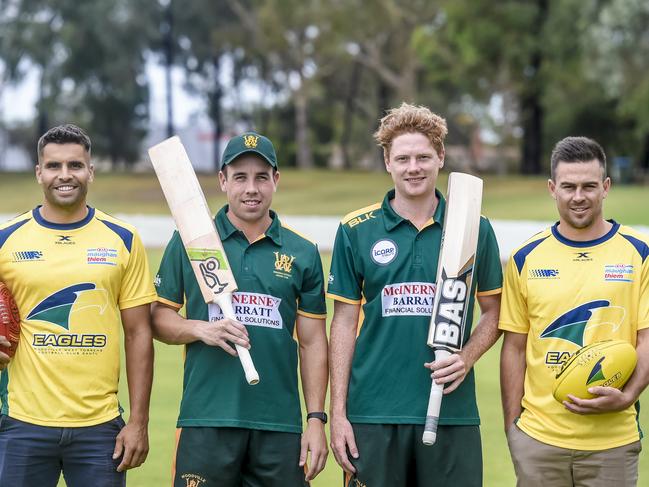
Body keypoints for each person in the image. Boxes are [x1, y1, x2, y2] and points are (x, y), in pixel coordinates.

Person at [327, 103, 502, 487]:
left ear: (441, 157)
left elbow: (494, 312)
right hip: (373, 413)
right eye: (403, 158)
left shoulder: (474, 227)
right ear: (387, 161)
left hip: (451, 413)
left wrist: (466, 357)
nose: (414, 167)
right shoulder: (357, 229)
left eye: (424, 156)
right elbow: (342, 322)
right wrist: (338, 413)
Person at [152, 132, 329, 486]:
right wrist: (201, 329)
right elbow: (158, 318)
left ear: (276, 180)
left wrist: (314, 419)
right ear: (223, 181)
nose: (252, 188)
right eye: (240, 177)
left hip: (279, 425)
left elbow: (312, 343)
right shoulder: (190, 240)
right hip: (207, 420)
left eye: (262, 177)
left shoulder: (302, 251)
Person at [0, 124, 156, 486]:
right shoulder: (6, 241)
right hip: (22, 425)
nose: (65, 175)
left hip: (99, 430)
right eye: (54, 166)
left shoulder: (122, 239)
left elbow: (138, 333)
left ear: (91, 171)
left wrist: (138, 422)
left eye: (75, 165)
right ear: (39, 173)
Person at [499, 136, 649, 487]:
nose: (578, 196)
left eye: (588, 186)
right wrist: (513, 428)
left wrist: (627, 396)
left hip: (612, 442)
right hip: (538, 441)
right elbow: (515, 346)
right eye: (568, 186)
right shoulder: (525, 257)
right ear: (552, 188)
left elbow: (647, 337)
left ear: (606, 187)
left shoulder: (638, 254)